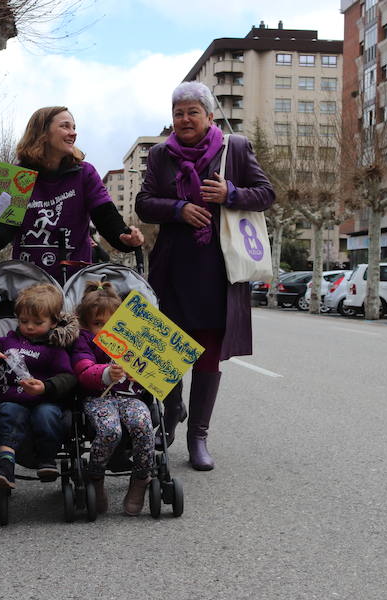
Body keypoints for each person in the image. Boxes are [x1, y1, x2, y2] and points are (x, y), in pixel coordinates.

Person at [135, 81, 275, 471]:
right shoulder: (161, 155)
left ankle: (199, 436)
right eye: (178, 113)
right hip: (173, 267)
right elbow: (144, 204)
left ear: (210, 116)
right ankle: (172, 408)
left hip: (219, 267)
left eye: (192, 112)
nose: (184, 119)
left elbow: (265, 193)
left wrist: (230, 192)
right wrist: (179, 209)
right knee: (165, 350)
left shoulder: (237, 148)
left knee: (208, 353)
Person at [0, 106, 144, 282]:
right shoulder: (19, 176)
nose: (73, 133)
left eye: (74, 127)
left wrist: (123, 237)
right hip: (28, 283)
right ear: (43, 133)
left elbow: (105, 216)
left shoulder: (85, 173)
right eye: (65, 126)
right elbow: (4, 232)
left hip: (74, 282)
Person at [0, 283, 78, 488]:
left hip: (45, 399)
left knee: (47, 415)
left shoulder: (54, 348)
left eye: (37, 322)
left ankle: (47, 457)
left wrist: (45, 387)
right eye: (24, 321)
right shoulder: (10, 340)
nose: (29, 327)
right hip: (14, 399)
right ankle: (6, 462)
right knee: (8, 413)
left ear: (53, 323)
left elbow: (67, 377)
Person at [71, 281, 155, 516]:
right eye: (98, 324)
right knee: (110, 430)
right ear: (87, 324)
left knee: (143, 424)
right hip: (99, 398)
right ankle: (95, 476)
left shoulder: (133, 340)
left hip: (130, 397)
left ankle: (140, 478)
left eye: (112, 324)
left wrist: (142, 373)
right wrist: (106, 373)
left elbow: (152, 369)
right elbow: (83, 371)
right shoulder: (84, 341)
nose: (106, 329)